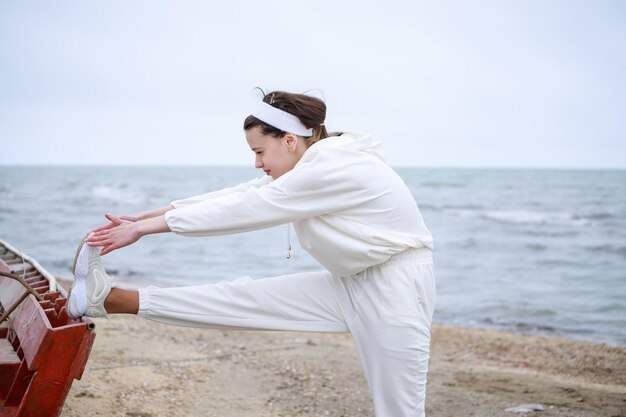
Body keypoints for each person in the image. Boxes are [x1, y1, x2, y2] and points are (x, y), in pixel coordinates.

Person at [67, 90, 436, 417]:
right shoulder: (310, 163)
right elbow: (245, 193)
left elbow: (251, 208)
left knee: (400, 409)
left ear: (290, 140)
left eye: (259, 151)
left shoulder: (336, 165)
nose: (257, 163)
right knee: (242, 297)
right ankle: (106, 299)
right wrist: (152, 215)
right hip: (352, 281)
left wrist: (144, 229)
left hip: (394, 287)